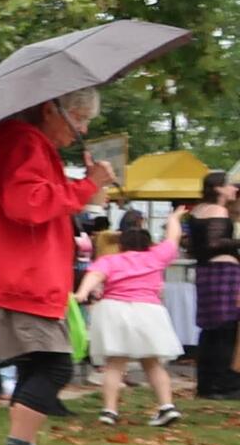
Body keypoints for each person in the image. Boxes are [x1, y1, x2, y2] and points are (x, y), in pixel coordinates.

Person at [0, 87, 116, 445]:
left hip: (18, 274)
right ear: (50, 108)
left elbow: (32, 200)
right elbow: (27, 205)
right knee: (53, 365)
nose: (82, 130)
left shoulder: (16, 143)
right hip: (22, 276)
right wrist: (87, 186)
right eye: (79, 119)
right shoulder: (22, 141)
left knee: (37, 367)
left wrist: (79, 186)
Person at [78, 215, 185, 428]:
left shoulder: (110, 260)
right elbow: (173, 237)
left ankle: (109, 411)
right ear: (149, 244)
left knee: (115, 363)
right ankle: (167, 406)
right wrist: (174, 217)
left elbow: (95, 275)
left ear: (121, 245)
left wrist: (82, 292)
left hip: (114, 309)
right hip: (149, 310)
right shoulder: (157, 256)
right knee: (152, 363)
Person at [190, 172, 240, 398]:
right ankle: (221, 385)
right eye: (230, 185)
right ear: (218, 188)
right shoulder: (218, 210)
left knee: (210, 329)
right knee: (225, 327)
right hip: (223, 272)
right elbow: (215, 242)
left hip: (207, 272)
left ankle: (207, 384)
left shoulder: (198, 210)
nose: (234, 189)